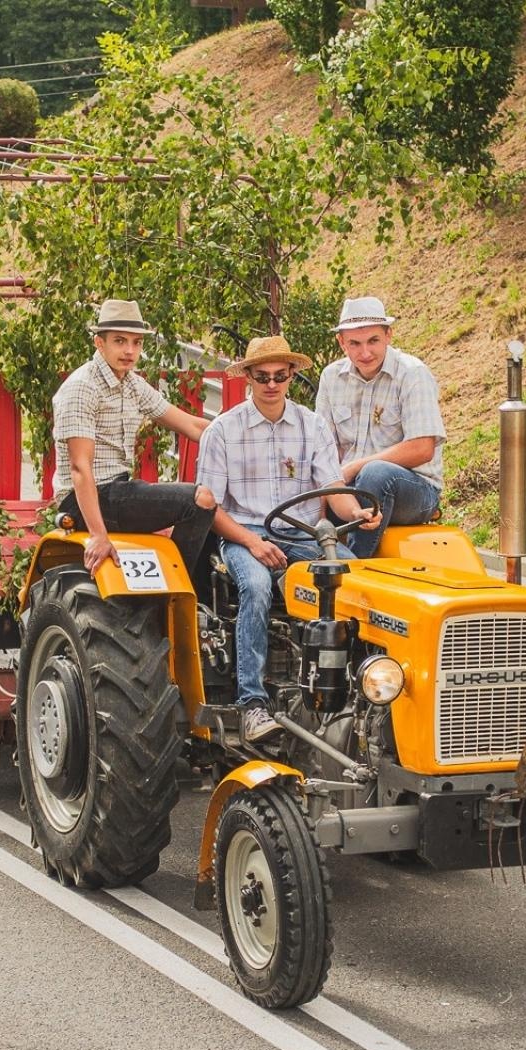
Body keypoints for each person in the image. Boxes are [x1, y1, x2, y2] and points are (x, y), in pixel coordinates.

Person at [197, 335, 381, 743]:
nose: (271, 384)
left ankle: (366, 690)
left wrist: (356, 513)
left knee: (359, 580)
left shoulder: (310, 425)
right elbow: (211, 508)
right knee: (257, 587)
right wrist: (252, 542)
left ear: (292, 376)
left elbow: (332, 486)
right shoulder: (223, 431)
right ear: (248, 377)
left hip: (302, 531)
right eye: (262, 376)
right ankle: (252, 704)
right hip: (246, 533)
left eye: (280, 376)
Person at [52, 298, 218, 577]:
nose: (130, 351)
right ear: (99, 343)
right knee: (199, 500)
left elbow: (191, 425)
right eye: (119, 341)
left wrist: (239, 438)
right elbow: (80, 467)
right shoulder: (83, 387)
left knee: (213, 511)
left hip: (117, 493)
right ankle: (178, 589)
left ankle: (205, 602)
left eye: (136, 343)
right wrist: (98, 535)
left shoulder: (131, 384)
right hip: (85, 501)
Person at [315, 295, 445, 558]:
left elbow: (422, 448)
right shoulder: (331, 377)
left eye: (373, 341)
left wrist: (354, 467)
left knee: (375, 474)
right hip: (351, 489)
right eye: (355, 343)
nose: (365, 353)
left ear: (388, 335)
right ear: (342, 343)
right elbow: (323, 450)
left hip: (414, 488)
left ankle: (353, 565)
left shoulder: (412, 373)